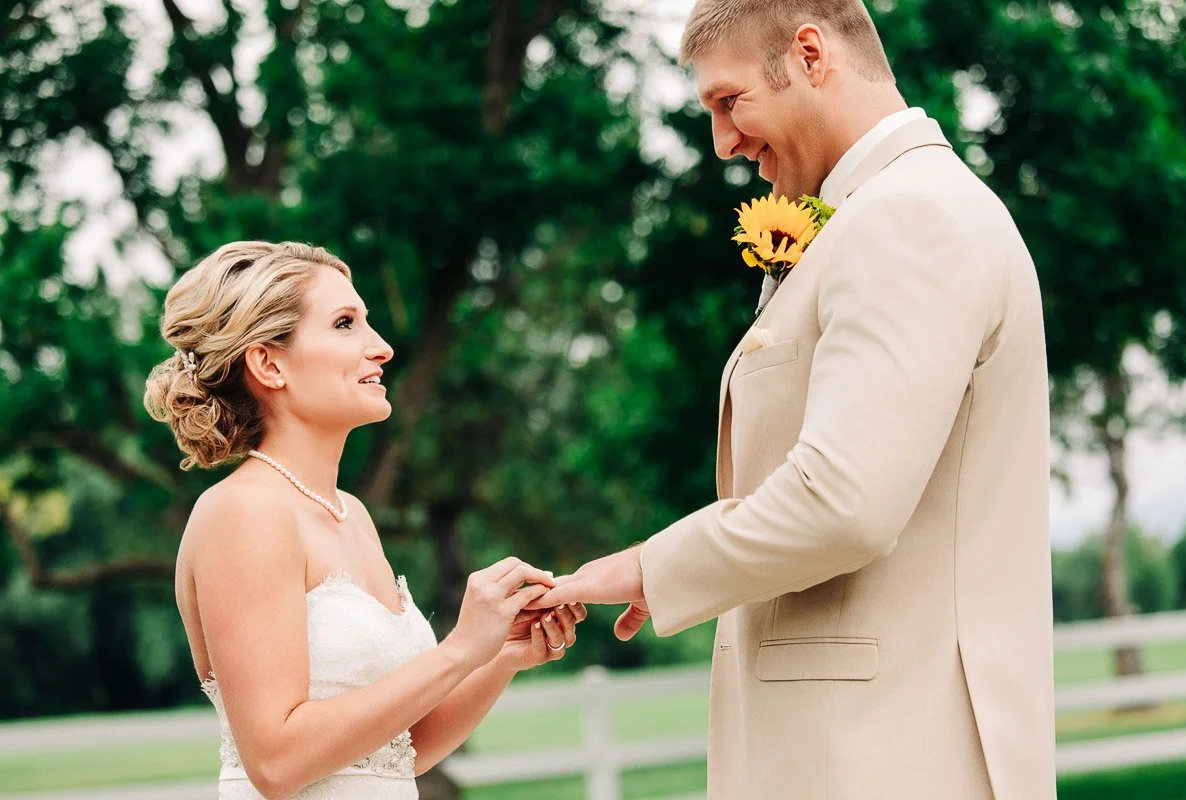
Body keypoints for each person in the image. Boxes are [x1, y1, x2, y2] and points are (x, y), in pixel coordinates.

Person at [533, 1, 1055, 798]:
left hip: (884, 757)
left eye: (728, 100)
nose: (723, 142)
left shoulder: (908, 218)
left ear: (811, 54)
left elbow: (843, 501)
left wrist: (647, 568)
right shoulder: (881, 216)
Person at [144, 241, 585, 800]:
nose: (381, 348)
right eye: (345, 323)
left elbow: (398, 753)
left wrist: (497, 657)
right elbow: (276, 764)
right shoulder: (244, 511)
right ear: (269, 364)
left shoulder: (351, 515)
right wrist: (456, 650)